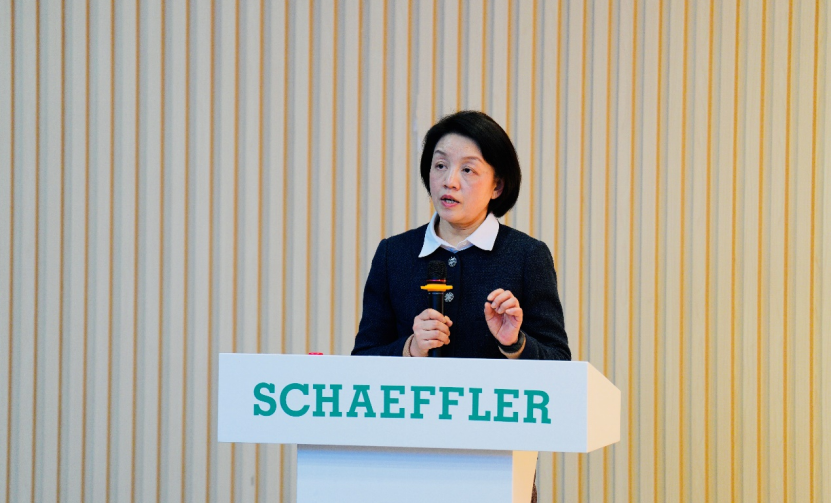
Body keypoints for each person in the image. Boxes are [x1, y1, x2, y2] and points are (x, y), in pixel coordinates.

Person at [351, 110, 570, 362]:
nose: (450, 181)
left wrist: (516, 344)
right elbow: (363, 358)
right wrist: (411, 348)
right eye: (440, 166)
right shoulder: (393, 254)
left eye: (467, 170)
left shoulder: (527, 256)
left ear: (497, 186)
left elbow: (559, 361)